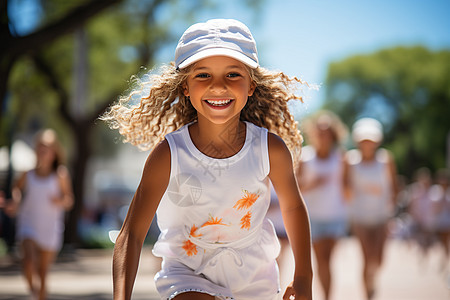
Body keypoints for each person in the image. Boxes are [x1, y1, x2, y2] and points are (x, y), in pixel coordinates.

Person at [103, 19, 312, 300]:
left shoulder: (269, 149)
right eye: (202, 75)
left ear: (251, 85)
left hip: (254, 279)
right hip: (187, 273)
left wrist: (303, 277)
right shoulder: (169, 154)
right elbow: (131, 234)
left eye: (233, 75)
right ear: (185, 87)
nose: (218, 86)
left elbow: (294, 208)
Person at [7, 129, 74, 300]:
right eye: (40, 147)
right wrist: (15, 202)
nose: (43, 151)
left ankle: (39, 296)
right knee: (28, 262)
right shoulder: (27, 173)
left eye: (47, 148)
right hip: (28, 224)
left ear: (54, 152)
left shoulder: (60, 174)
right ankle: (34, 292)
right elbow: (17, 189)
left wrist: (60, 201)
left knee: (43, 273)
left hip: (50, 227)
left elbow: (69, 200)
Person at [295, 110, 348, 300]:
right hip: (313, 218)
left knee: (328, 260)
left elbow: (347, 186)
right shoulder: (305, 158)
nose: (323, 136)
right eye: (319, 132)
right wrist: (313, 184)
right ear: (313, 133)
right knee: (321, 261)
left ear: (333, 134)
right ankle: (327, 296)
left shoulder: (341, 158)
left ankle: (327, 296)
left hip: (336, 216)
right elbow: (296, 188)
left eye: (327, 132)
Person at [343, 118, 397, 300]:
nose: (367, 144)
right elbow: (345, 186)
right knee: (367, 257)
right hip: (360, 216)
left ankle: (372, 279)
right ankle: (367, 294)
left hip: (382, 215)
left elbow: (395, 186)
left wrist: (392, 209)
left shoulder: (386, 159)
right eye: (364, 140)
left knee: (379, 259)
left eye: (371, 140)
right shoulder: (350, 160)